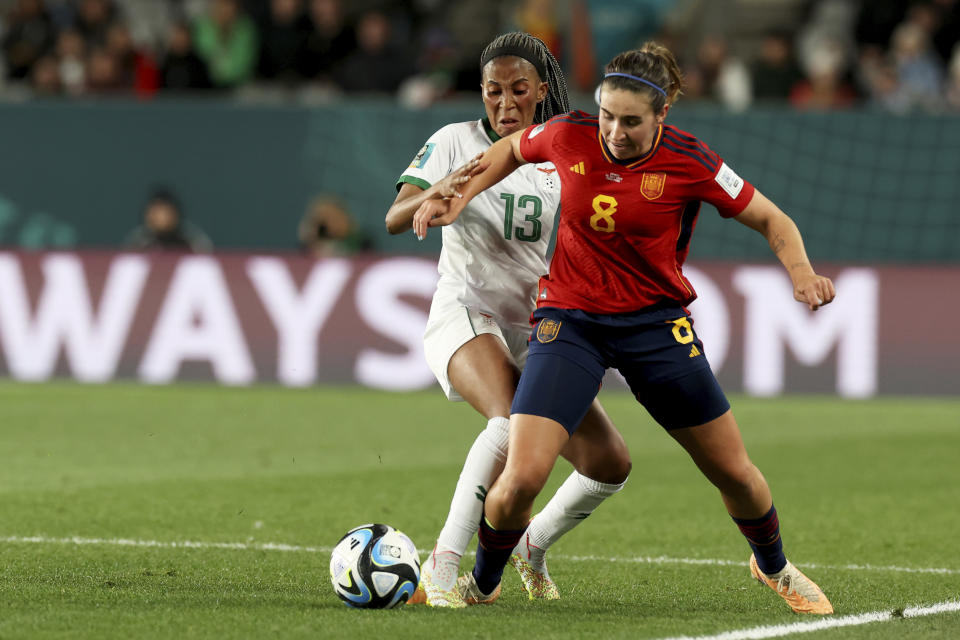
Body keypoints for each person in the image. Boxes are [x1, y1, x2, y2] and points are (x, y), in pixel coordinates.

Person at [413, 42, 836, 615]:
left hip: (655, 328)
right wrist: (458, 193)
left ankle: (774, 567)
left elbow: (770, 217)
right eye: (608, 115)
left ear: (662, 117)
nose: (614, 131)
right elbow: (512, 148)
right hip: (571, 322)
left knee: (734, 472)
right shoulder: (569, 133)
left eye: (631, 122)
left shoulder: (693, 161)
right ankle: (481, 583)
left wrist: (802, 273)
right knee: (520, 478)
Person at [385, 32, 632, 608]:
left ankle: (532, 544)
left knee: (609, 462)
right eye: (493, 91)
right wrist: (436, 191)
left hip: (537, 330)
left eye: (518, 90)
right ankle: (443, 565)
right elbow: (396, 216)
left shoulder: (561, 150)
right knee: (507, 418)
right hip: (465, 310)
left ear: (540, 90)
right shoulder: (453, 142)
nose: (504, 103)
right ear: (481, 91)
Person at [125, 187, 212, 252]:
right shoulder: (138, 242)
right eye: (156, 212)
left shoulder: (191, 241)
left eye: (165, 211)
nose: (161, 217)